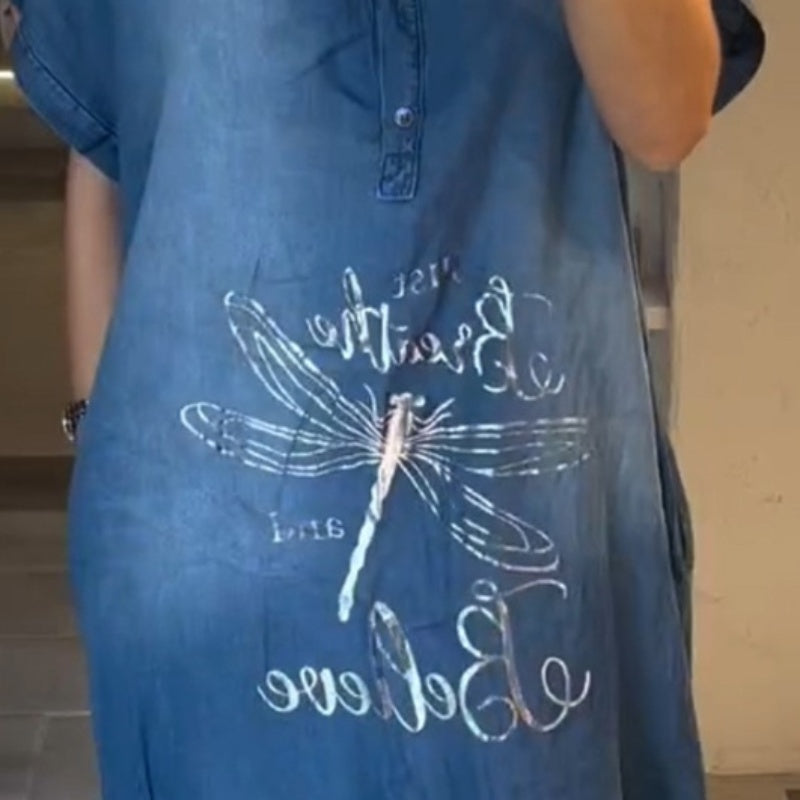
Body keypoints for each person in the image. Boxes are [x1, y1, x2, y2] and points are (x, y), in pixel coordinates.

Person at [4, 0, 765, 797]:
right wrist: (103, 449)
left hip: (529, 550)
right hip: (206, 548)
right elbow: (103, 151)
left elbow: (666, 122)